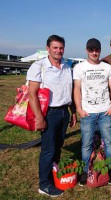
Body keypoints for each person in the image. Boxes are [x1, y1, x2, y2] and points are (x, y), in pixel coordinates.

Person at [27, 35, 77, 197]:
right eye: (55, 47)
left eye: (61, 48)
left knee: (57, 146)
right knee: (48, 149)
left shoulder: (67, 66)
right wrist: (40, 118)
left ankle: (53, 175)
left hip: (63, 111)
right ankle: (44, 184)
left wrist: (73, 112)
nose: (58, 51)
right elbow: (32, 94)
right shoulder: (39, 66)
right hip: (49, 113)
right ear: (48, 48)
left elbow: (68, 91)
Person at [73, 38, 111, 185]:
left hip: (105, 112)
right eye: (91, 50)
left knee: (109, 143)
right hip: (88, 113)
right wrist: (79, 109)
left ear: (100, 50)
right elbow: (77, 89)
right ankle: (86, 171)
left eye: (96, 49)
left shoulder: (107, 67)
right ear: (87, 50)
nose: (94, 52)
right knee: (86, 144)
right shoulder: (79, 68)